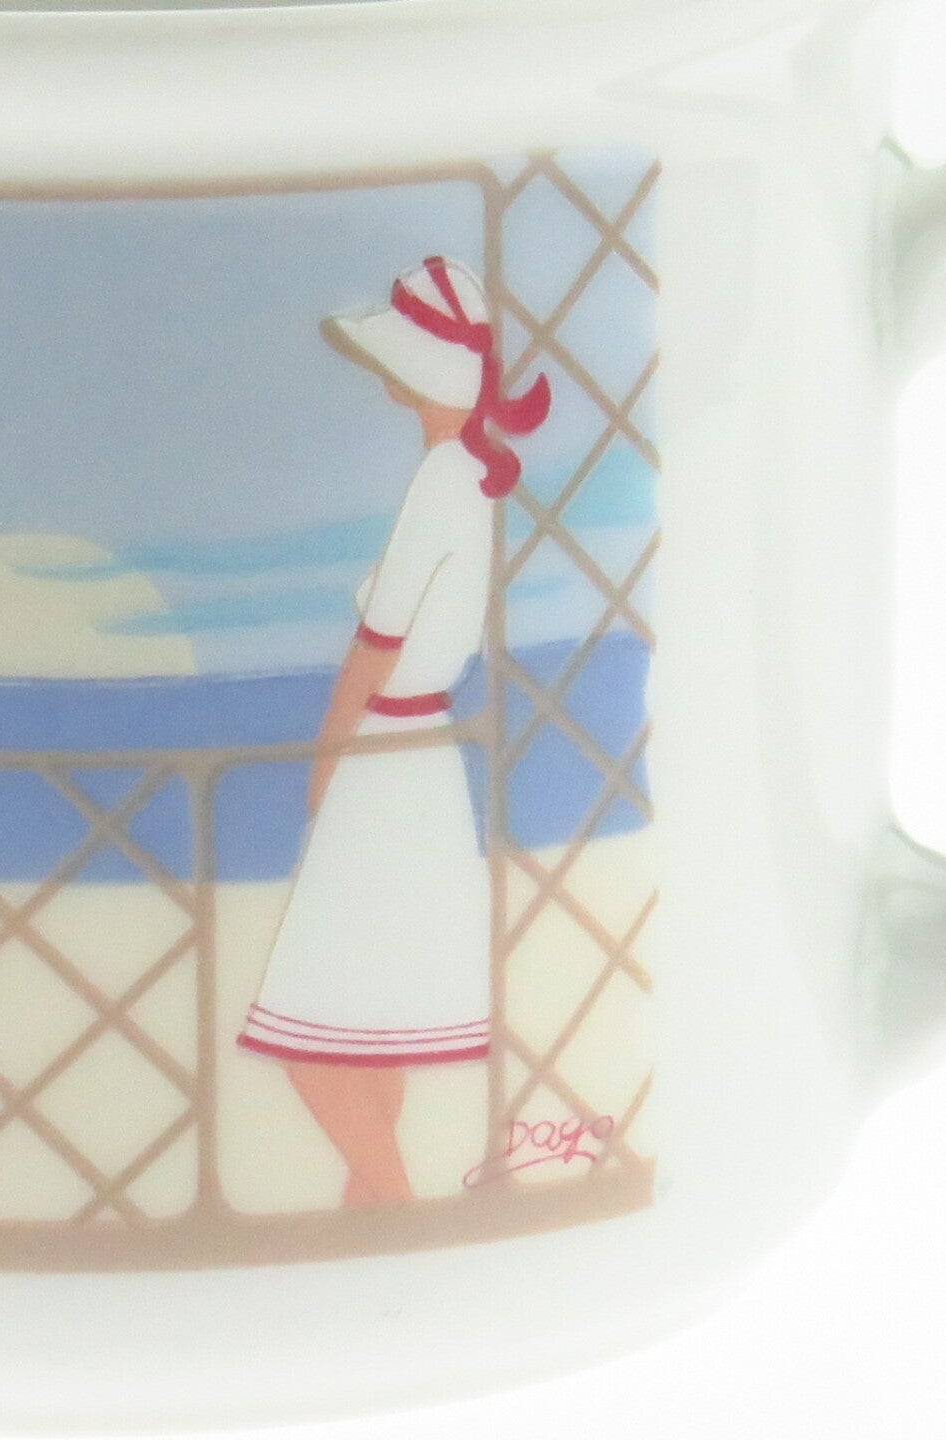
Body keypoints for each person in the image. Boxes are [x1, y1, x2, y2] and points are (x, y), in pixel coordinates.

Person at [239, 257, 551, 1207]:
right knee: (374, 1021)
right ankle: (372, 1217)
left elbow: (377, 646)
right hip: (425, 765)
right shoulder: (475, 478)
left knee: (319, 1030)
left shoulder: (442, 480)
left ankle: (391, 1200)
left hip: (383, 760)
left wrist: (326, 759)